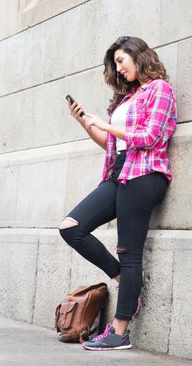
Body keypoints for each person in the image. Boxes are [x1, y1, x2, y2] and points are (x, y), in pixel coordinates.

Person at [60, 36, 177, 351]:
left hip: (144, 174)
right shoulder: (130, 97)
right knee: (71, 227)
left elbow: (151, 136)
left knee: (130, 253)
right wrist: (86, 123)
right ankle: (122, 279)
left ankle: (119, 331)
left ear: (138, 56)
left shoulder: (159, 90)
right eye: (115, 65)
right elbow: (112, 145)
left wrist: (108, 126)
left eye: (121, 61)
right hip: (119, 172)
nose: (118, 69)